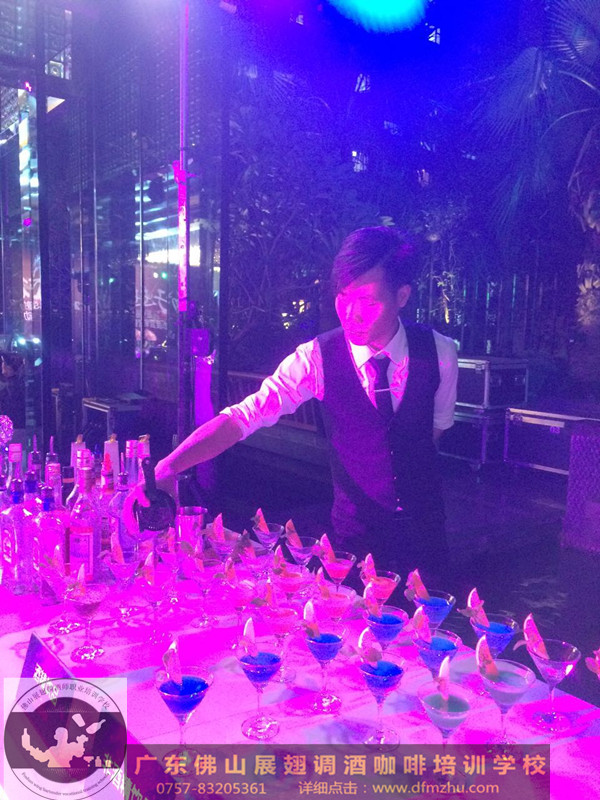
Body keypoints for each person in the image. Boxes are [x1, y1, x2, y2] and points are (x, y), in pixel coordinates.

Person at [136, 227, 458, 580]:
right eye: (343, 297)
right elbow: (244, 416)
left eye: (368, 302)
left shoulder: (440, 353)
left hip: (426, 538)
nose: (351, 314)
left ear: (402, 296)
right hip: (354, 545)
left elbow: (434, 431)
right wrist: (168, 466)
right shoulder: (317, 358)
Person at [0, 352, 26, 430]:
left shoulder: (11, 386)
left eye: (3, 362)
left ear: (9, 367)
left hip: (13, 427)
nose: (2, 365)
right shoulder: (17, 383)